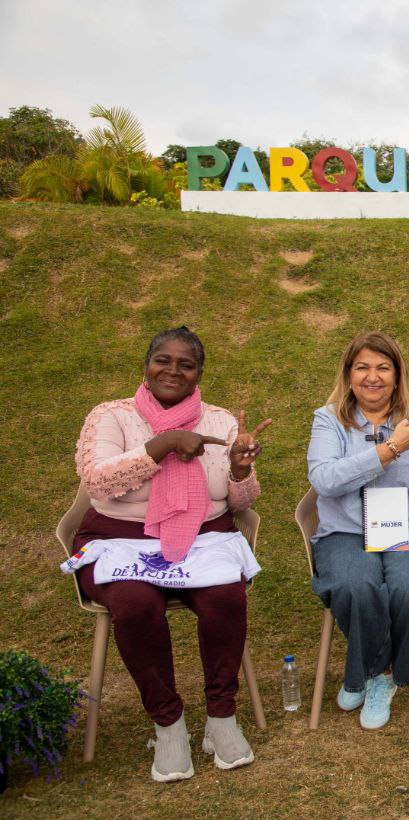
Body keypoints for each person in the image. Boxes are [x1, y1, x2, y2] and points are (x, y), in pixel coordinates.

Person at [67, 326, 270, 782]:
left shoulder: (220, 421)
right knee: (135, 606)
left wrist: (240, 470)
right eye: (163, 360)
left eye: (186, 364)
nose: (172, 370)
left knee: (226, 599)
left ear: (199, 373)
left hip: (202, 537)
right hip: (121, 540)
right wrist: (164, 443)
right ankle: (168, 723)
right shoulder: (112, 416)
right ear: (146, 364)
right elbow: (97, 481)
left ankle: (220, 717)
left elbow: (238, 503)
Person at [306, 331, 409, 730]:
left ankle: (368, 674)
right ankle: (382, 672)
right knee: (354, 585)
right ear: (348, 374)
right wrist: (388, 450)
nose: (372, 377)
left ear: (398, 375)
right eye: (362, 367)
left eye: (383, 368)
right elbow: (324, 480)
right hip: (346, 530)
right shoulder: (329, 419)